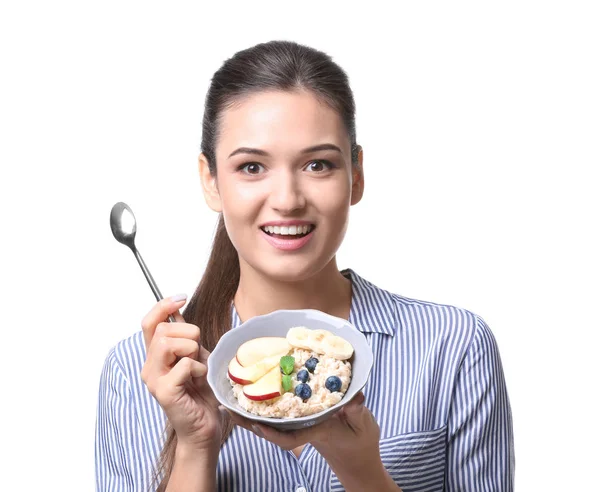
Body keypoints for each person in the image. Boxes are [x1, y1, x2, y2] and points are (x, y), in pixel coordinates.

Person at [95, 40, 514, 492]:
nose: (288, 199)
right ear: (210, 180)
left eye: (318, 164)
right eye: (252, 167)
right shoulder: (140, 372)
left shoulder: (453, 348)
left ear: (356, 175)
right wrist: (196, 447)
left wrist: (361, 471)